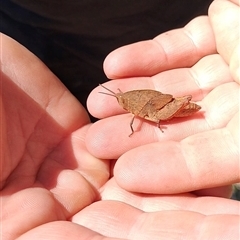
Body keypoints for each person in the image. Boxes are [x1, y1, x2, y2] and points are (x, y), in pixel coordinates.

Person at [1, 0, 239, 240]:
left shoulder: (137, 104)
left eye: (123, 102)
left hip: (184, 30)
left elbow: (147, 108)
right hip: (46, 38)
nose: (121, 103)